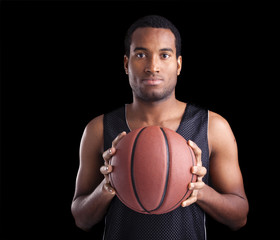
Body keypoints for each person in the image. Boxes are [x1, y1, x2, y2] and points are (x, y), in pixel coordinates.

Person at [71, 15, 249, 240]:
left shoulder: (213, 126)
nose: (152, 67)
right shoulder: (98, 128)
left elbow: (239, 217)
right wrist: (106, 187)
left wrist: (201, 191)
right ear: (126, 64)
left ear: (178, 65)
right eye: (141, 55)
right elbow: (81, 219)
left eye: (164, 55)